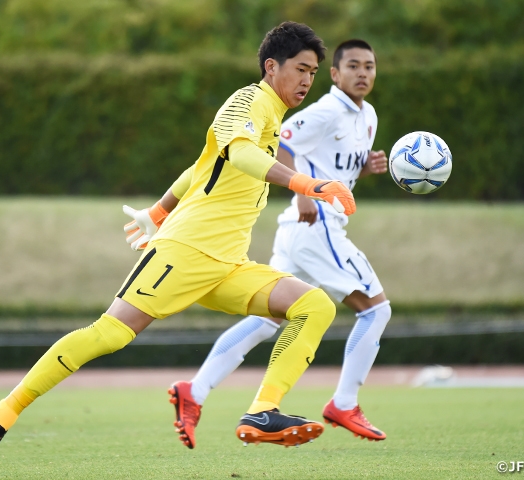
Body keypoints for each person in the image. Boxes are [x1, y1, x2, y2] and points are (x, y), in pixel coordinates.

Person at [0, 22, 358, 479]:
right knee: (109, 334)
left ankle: (262, 411)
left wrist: (161, 208)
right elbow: (240, 154)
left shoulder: (272, 116)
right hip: (186, 250)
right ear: (272, 66)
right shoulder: (249, 100)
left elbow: (202, 165)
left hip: (229, 264)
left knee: (314, 305)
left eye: (313, 72)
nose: (307, 80)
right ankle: (1, 416)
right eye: (301, 69)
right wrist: (308, 184)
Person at [123, 39, 389, 450]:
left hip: (299, 230)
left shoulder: (367, 116)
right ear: (335, 75)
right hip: (316, 225)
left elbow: (332, 164)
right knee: (376, 310)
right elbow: (282, 141)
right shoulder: (326, 109)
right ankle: (344, 403)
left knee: (269, 318)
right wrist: (303, 191)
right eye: (353, 65)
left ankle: (195, 390)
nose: (362, 73)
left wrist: (365, 168)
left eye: (369, 66)